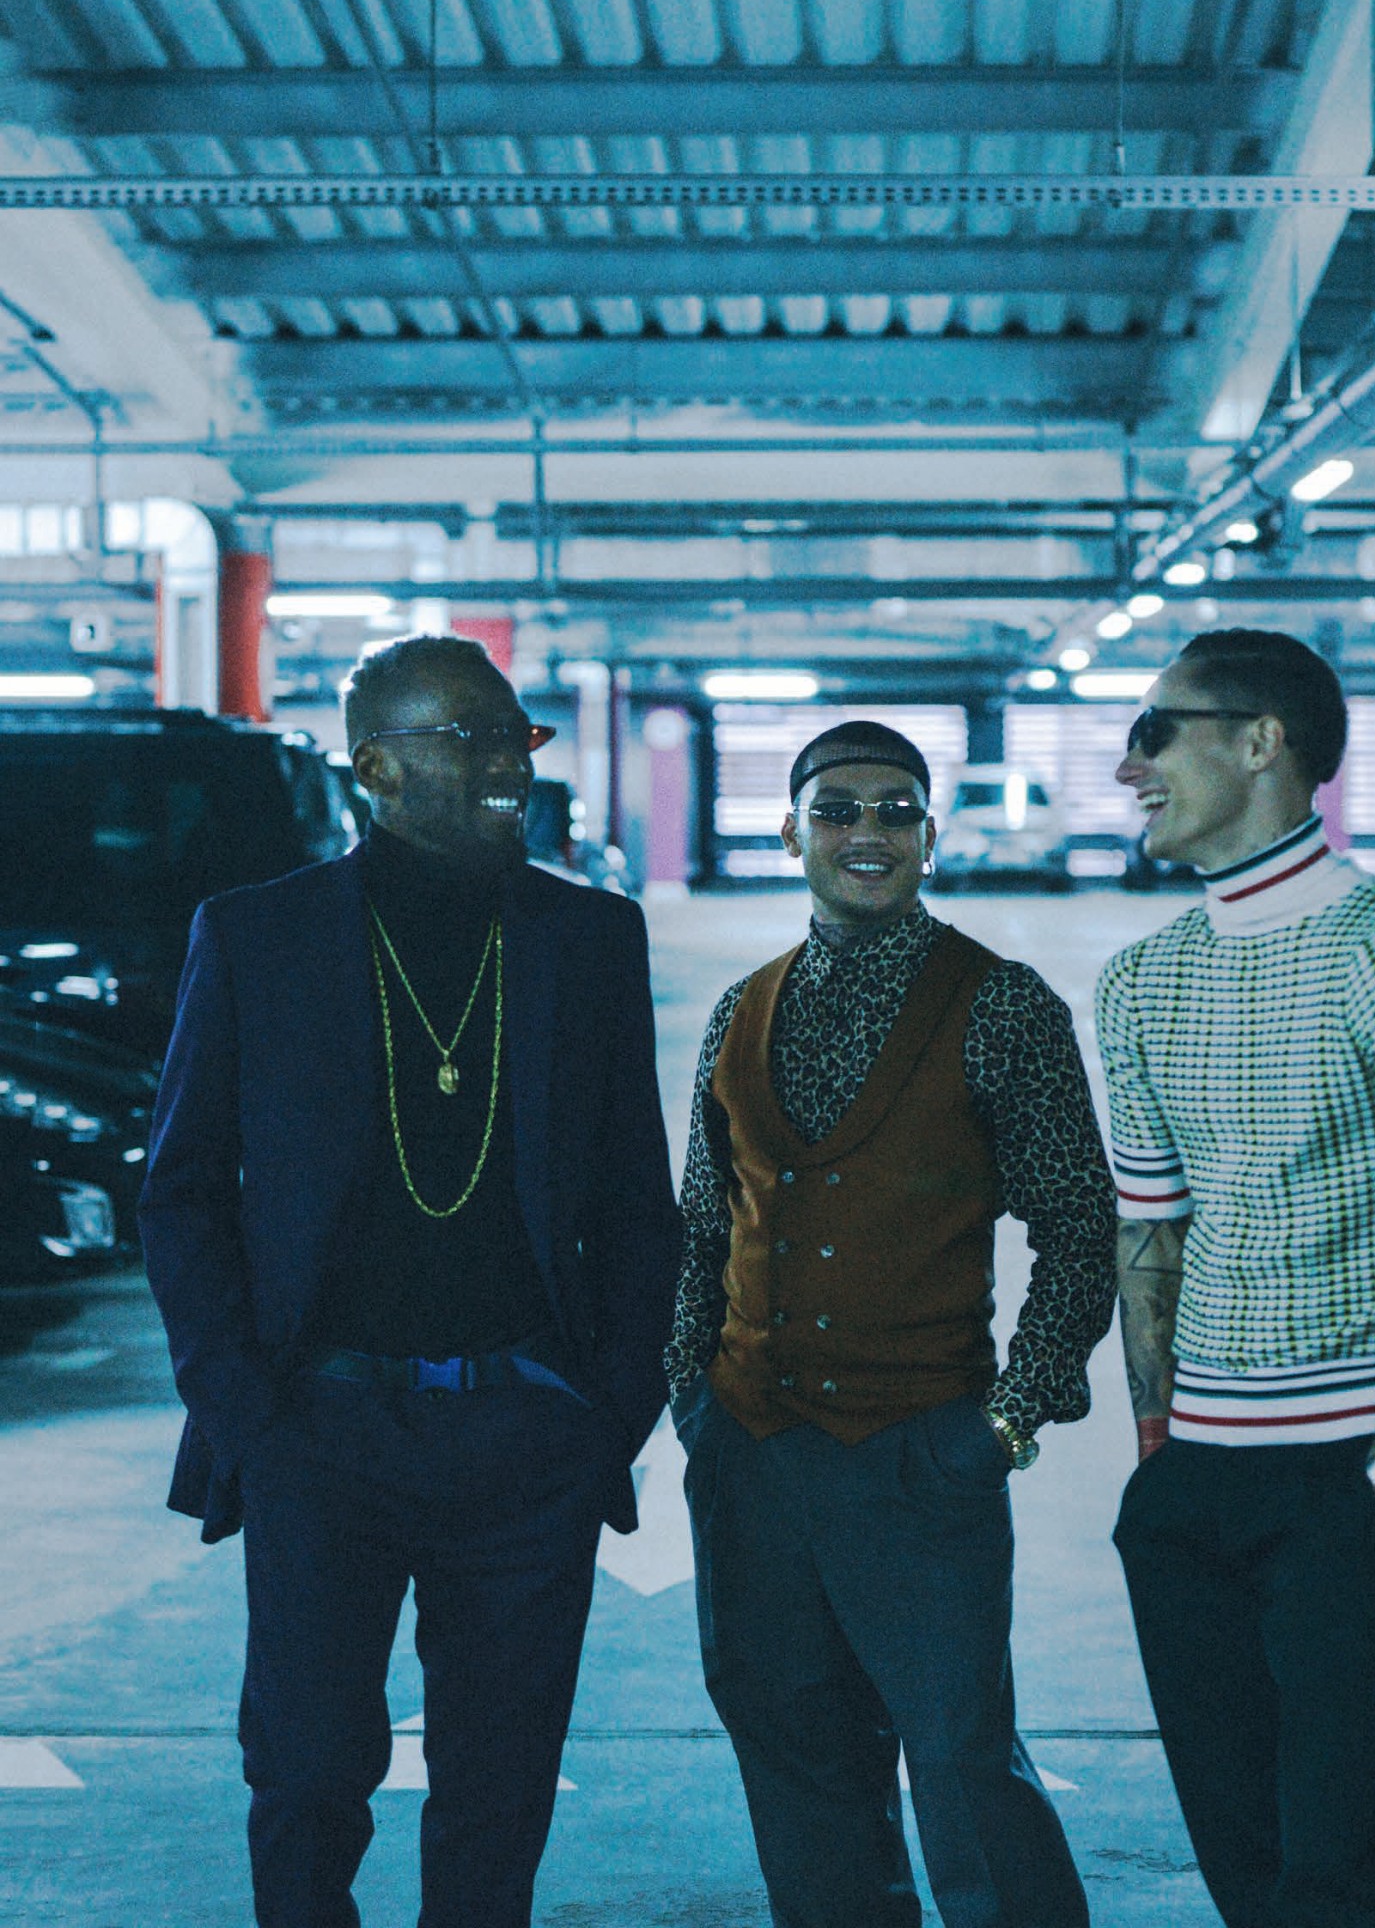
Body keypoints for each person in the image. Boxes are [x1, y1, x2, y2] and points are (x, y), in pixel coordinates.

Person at [140, 634, 680, 1928]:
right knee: (307, 1771)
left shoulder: (588, 936)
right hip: (319, 1429)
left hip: (528, 1433)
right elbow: (183, 1189)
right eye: (472, 738)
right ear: (376, 766)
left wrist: (608, 1411)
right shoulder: (258, 937)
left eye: (518, 737)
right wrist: (246, 1414)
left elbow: (634, 1199)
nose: (512, 764)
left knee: (500, 1786)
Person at [668, 719, 1117, 1928]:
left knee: (963, 1759)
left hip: (920, 1450)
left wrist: (1009, 1418)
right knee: (792, 1744)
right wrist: (694, 1400)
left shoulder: (1001, 1005)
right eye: (837, 808)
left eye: (895, 809)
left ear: (929, 835)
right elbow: (703, 1225)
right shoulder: (740, 1009)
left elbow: (1080, 1223)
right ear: (791, 832)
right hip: (752, 1450)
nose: (866, 831)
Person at [1097, 629, 1375, 1928]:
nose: (1129, 766)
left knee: (1341, 1873)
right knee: (1251, 1867)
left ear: (1260, 741)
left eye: (1156, 731)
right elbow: (1150, 1235)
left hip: (1350, 1479)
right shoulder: (1141, 979)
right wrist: (1162, 1455)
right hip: (1196, 1488)